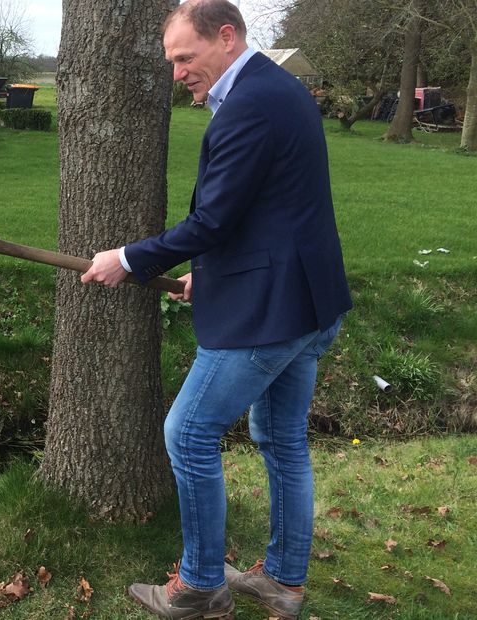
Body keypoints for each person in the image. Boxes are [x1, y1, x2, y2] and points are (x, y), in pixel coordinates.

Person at [80, 1, 351, 618]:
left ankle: (200, 585)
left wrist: (129, 256)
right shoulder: (278, 89)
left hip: (272, 311)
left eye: (185, 58)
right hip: (310, 300)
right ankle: (283, 581)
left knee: (189, 432)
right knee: (280, 438)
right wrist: (209, 269)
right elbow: (272, 207)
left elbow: (216, 218)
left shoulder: (251, 105)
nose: (177, 74)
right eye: (173, 61)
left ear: (225, 38)